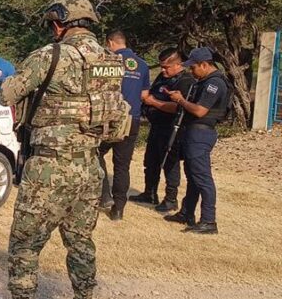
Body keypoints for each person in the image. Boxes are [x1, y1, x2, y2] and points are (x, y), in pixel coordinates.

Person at [0, 0, 128, 299]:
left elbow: (6, 93)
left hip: (50, 168)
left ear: (59, 23)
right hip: (90, 167)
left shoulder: (50, 55)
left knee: (24, 247)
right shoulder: (111, 60)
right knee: (80, 243)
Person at [163, 47, 230, 234]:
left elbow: (200, 111)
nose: (191, 71)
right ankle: (187, 213)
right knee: (193, 176)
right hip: (193, 132)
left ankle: (209, 221)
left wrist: (180, 100)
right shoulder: (204, 81)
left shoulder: (214, 83)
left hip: (201, 134)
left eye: (193, 68)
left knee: (202, 178)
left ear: (204, 64)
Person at [130, 48, 196, 212]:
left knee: (169, 163)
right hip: (156, 126)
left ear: (178, 65)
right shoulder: (162, 78)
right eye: (161, 66)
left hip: (172, 128)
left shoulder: (185, 81)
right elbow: (151, 94)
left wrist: (154, 103)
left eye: (166, 67)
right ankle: (150, 193)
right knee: (150, 161)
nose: (163, 70)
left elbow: (177, 107)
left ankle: (171, 199)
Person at [98, 31, 150, 220]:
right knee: (122, 166)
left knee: (95, 152)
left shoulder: (108, 62)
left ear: (110, 43)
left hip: (110, 117)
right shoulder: (142, 65)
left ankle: (104, 195)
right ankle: (118, 210)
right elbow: (144, 95)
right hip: (133, 118)